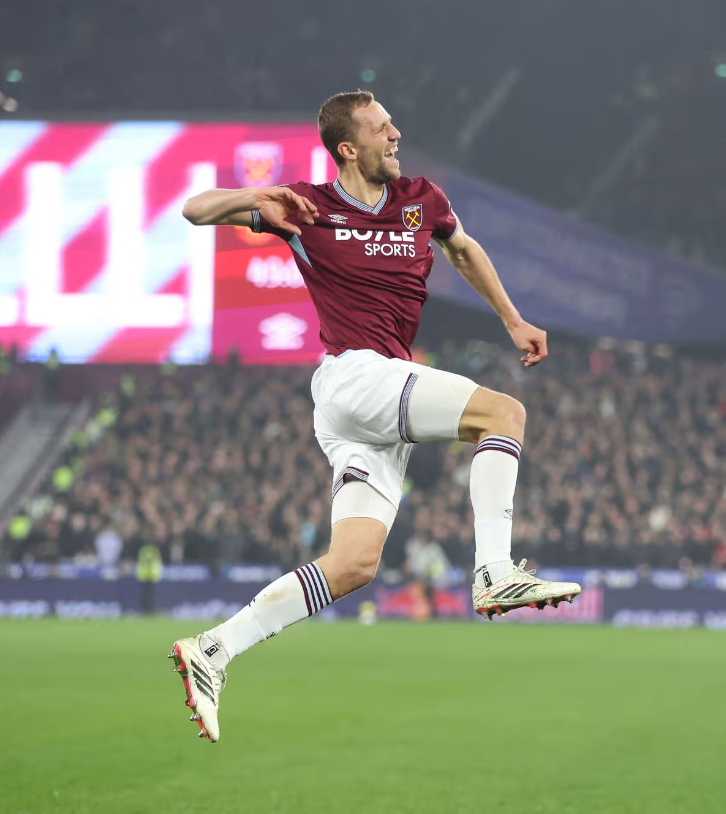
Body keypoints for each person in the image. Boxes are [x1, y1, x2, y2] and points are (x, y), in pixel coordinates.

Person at [169, 90, 580, 742]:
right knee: (503, 413)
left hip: (369, 402)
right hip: (354, 377)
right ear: (348, 148)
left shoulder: (421, 199)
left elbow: (463, 249)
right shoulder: (307, 206)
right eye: (381, 128)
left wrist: (512, 319)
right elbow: (194, 210)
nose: (396, 135)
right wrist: (258, 196)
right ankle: (494, 572)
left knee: (354, 564)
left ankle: (213, 649)